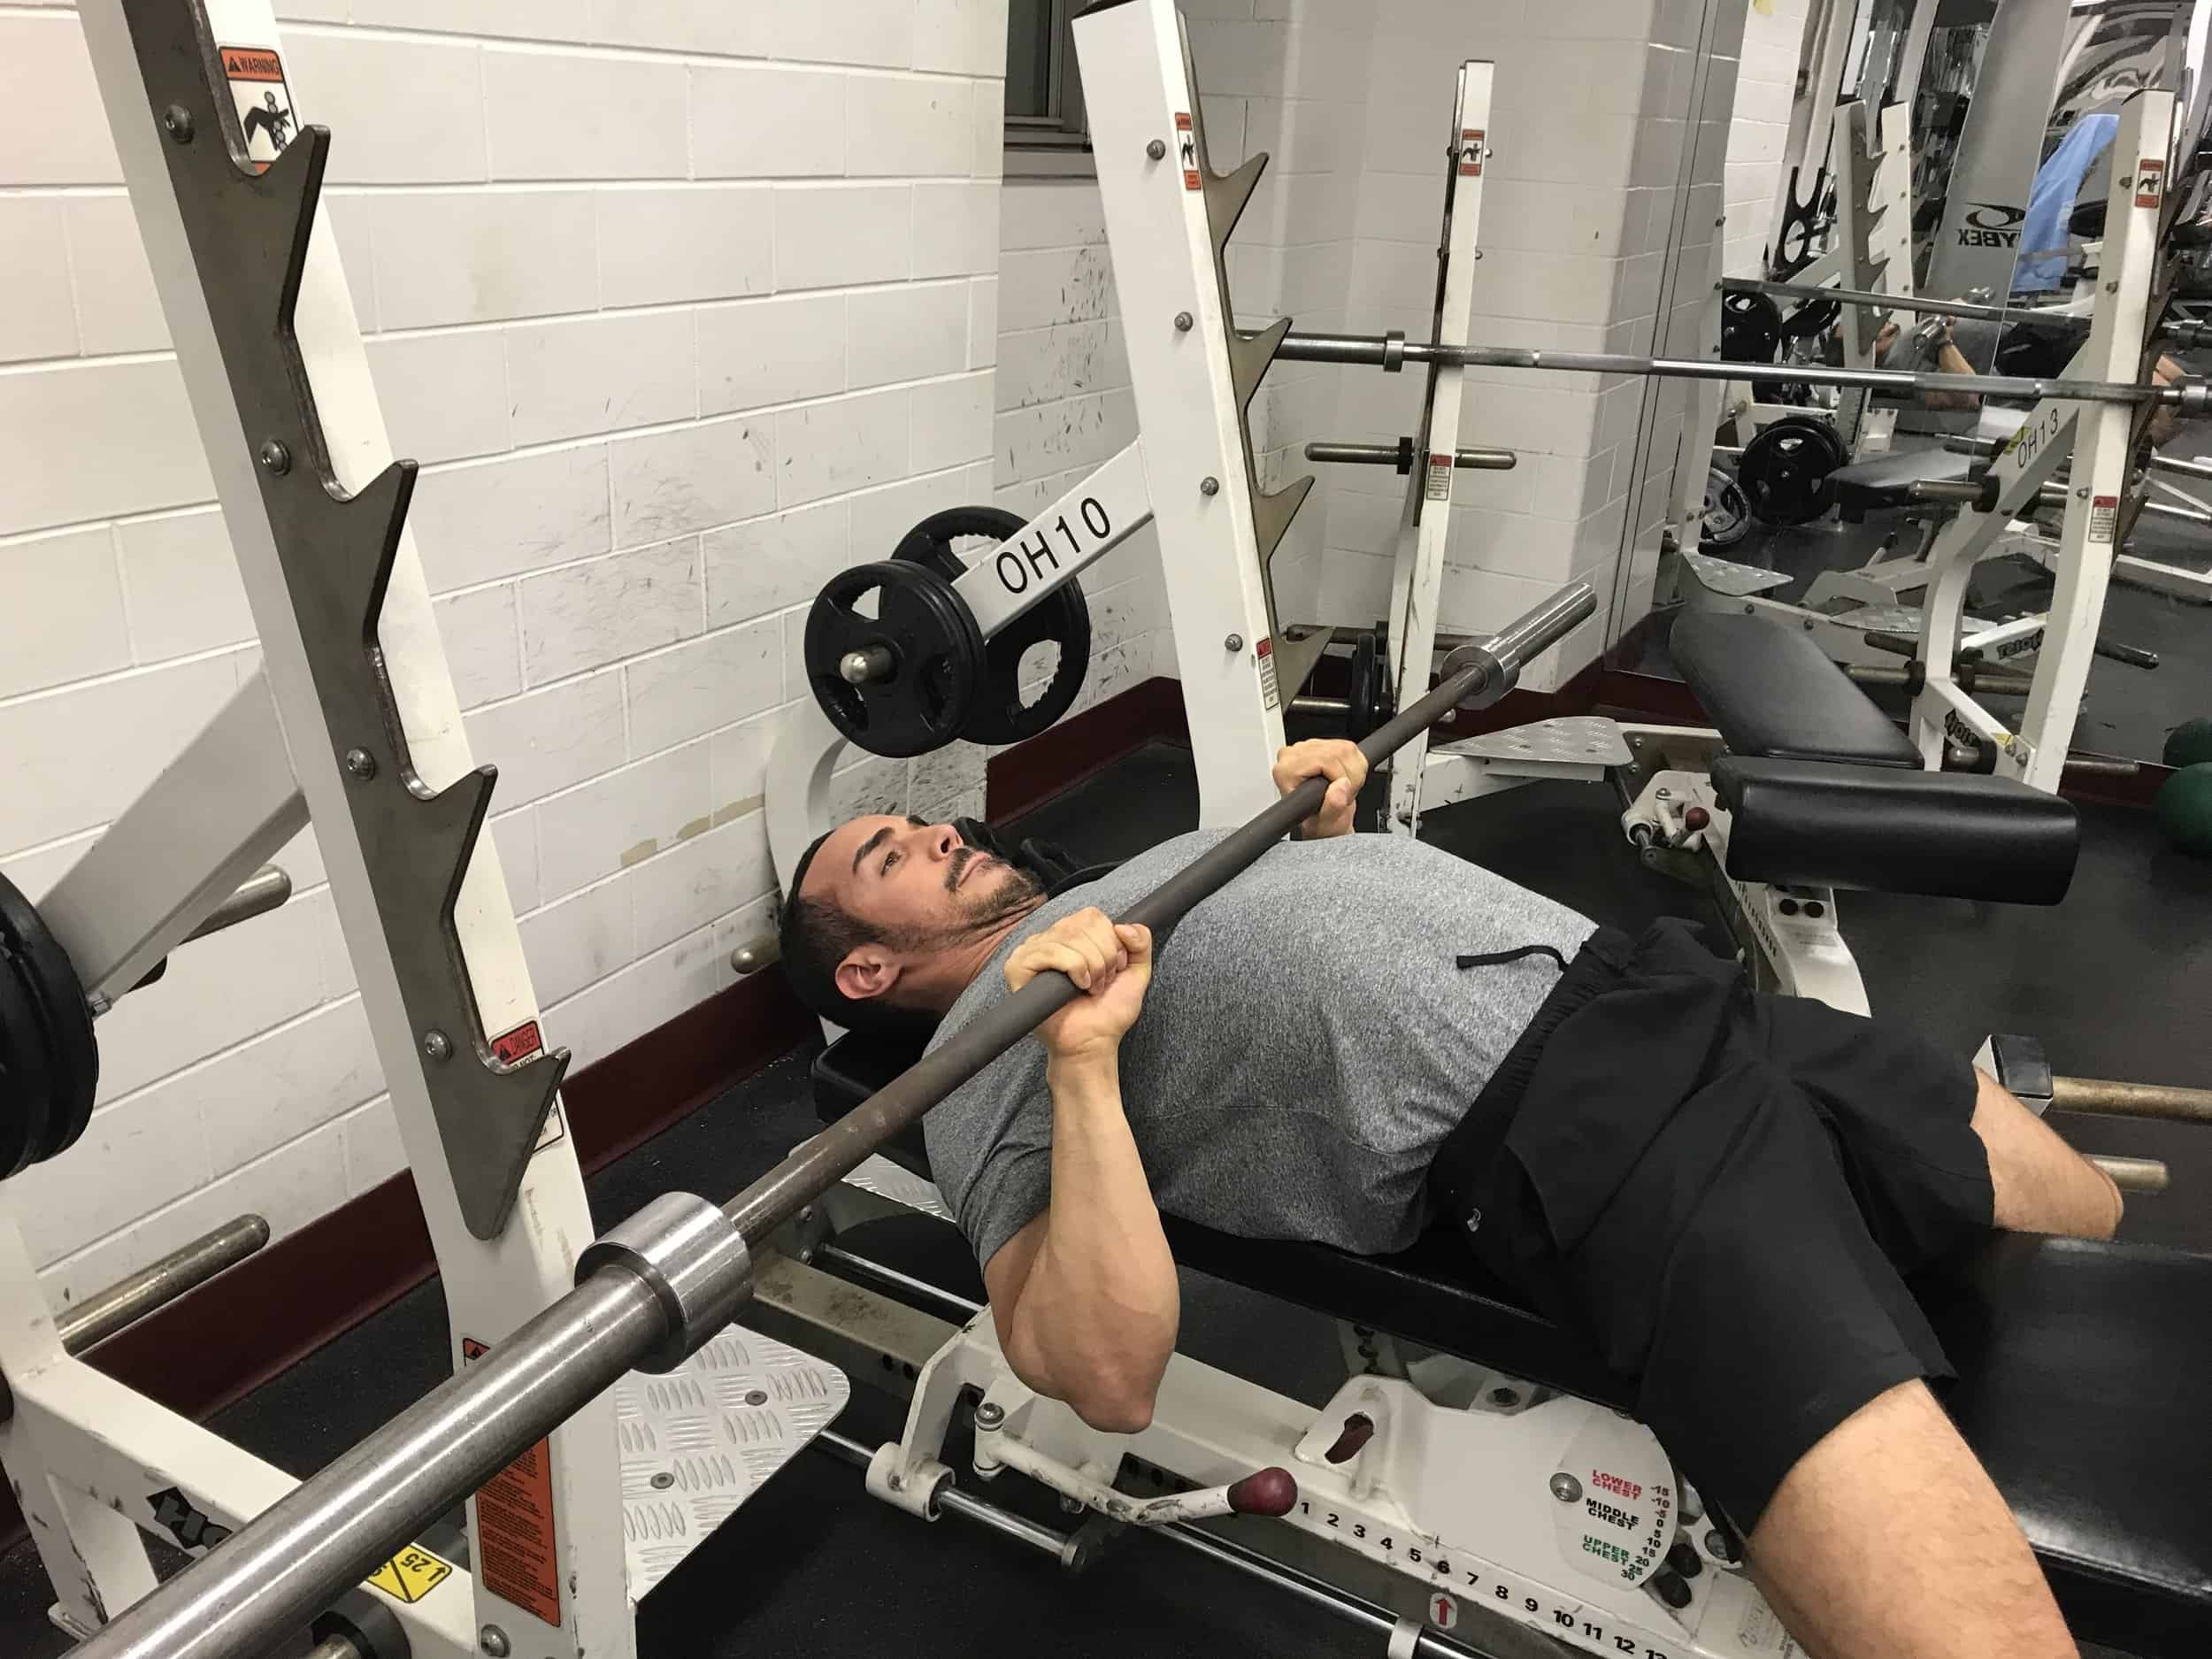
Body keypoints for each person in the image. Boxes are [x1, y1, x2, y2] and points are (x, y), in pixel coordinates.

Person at [778, 740, 2123, 1659]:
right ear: (864, 975)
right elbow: (1102, 1372)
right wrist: (1077, 1061)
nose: (937, 830)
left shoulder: (1100, 894)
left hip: (1665, 993)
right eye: (889, 855)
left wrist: (1329, 838)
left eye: (921, 820)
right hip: (1586, 1130)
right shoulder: (977, 1065)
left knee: (2081, 1231)